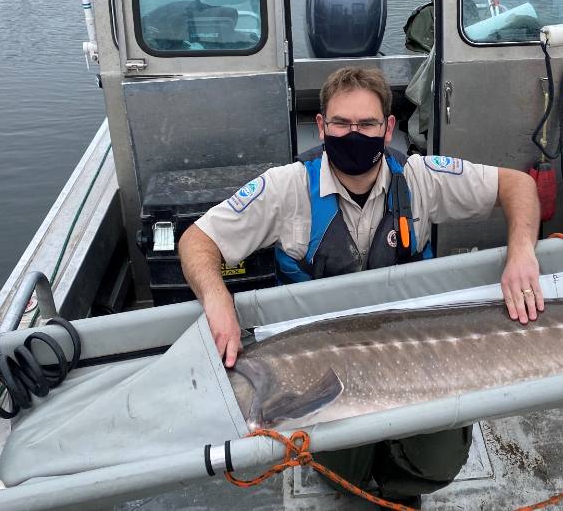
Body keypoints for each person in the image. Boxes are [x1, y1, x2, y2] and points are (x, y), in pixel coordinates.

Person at [179, 66, 543, 506]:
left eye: (367, 124)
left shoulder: (420, 177)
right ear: (321, 126)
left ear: (388, 128)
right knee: (342, 467)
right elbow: (197, 240)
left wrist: (522, 251)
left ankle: (399, 489)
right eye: (341, 123)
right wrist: (218, 299)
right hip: (321, 367)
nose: (354, 134)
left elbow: (517, 185)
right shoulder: (286, 188)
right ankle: (353, 478)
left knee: (440, 459)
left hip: (413, 350)